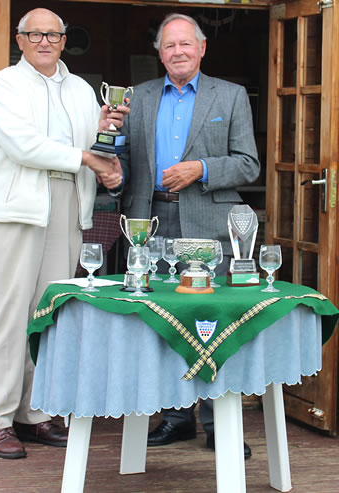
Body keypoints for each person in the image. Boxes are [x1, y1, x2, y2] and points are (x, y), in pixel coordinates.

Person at [102, 13, 259, 459]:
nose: (178, 52)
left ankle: (216, 423)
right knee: (157, 322)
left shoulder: (228, 97)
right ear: (159, 52)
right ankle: (174, 418)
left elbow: (249, 163)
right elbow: (126, 163)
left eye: (186, 44)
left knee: (209, 322)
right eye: (169, 46)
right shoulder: (140, 98)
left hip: (208, 225)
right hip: (149, 222)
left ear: (202, 48)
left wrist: (202, 169)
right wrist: (113, 175)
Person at [0, 8, 125, 459]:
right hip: (14, 208)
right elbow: (22, 145)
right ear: (19, 40)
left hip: (67, 206)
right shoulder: (4, 84)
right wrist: (88, 158)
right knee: (7, 315)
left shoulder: (80, 89)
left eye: (53, 34)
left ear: (64, 40)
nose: (45, 41)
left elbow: (90, 146)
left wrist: (105, 137)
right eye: (35, 34)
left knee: (48, 315)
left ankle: (34, 414)